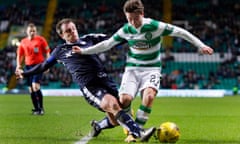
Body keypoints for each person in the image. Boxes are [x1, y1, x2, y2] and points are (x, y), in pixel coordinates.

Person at [72, 0, 214, 142]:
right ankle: (129, 129)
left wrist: (200, 45)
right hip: (132, 69)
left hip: (152, 69)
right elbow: (107, 44)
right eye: (129, 19)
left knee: (149, 97)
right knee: (124, 99)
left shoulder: (154, 26)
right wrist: (84, 51)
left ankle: (134, 133)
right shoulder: (126, 30)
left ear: (142, 14)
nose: (132, 22)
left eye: (135, 18)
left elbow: (180, 32)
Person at [15, 18, 156, 142]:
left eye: (74, 29)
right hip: (90, 86)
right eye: (68, 31)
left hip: (106, 81)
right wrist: (25, 73)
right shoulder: (60, 50)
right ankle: (139, 132)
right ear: (62, 35)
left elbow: (113, 40)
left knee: (116, 118)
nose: (73, 32)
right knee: (113, 105)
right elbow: (44, 65)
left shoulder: (89, 39)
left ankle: (99, 126)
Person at [16, 23, 50, 115]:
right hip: (28, 67)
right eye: (30, 31)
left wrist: (48, 64)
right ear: (27, 31)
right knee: (31, 89)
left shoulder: (41, 40)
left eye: (34, 31)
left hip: (39, 66)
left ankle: (41, 109)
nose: (32, 32)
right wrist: (18, 65)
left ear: (36, 31)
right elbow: (20, 55)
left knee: (35, 86)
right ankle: (36, 109)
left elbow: (47, 52)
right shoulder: (23, 42)